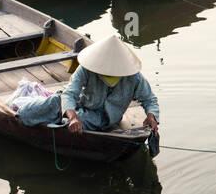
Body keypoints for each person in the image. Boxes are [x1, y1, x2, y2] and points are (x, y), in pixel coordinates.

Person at [15, 36, 159, 147]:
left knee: (81, 120)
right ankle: (23, 117)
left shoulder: (134, 78)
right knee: (47, 104)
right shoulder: (86, 69)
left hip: (102, 117)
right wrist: (72, 117)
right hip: (81, 104)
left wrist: (151, 116)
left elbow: (149, 99)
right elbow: (70, 93)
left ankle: (61, 122)